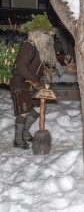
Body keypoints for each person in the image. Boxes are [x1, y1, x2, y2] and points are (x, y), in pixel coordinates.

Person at [9, 14, 63, 150]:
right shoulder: (28, 46)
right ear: (37, 33)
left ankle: (25, 131)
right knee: (24, 111)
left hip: (33, 84)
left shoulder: (41, 48)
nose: (49, 37)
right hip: (20, 83)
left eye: (50, 34)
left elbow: (42, 64)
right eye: (46, 34)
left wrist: (53, 68)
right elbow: (21, 66)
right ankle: (17, 139)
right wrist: (35, 80)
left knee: (37, 108)